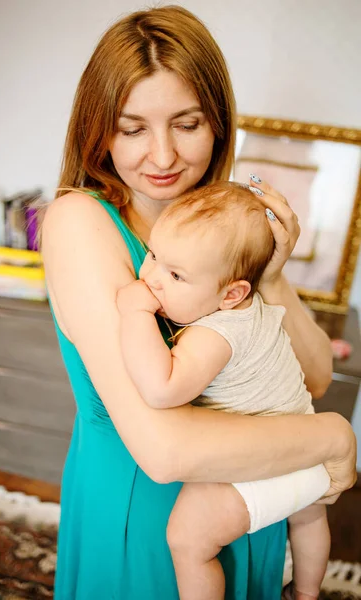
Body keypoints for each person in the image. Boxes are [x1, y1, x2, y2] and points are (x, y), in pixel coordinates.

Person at [41, 6, 357, 600]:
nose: (162, 157)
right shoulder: (81, 222)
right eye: (133, 129)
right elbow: (163, 452)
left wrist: (265, 277)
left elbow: (311, 377)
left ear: (217, 123)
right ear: (98, 129)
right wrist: (334, 439)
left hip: (243, 500)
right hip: (149, 515)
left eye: (186, 124)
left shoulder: (225, 224)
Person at [117, 181, 332, 600]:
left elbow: (162, 389)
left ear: (231, 294)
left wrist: (135, 312)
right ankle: (306, 593)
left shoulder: (214, 334)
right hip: (308, 452)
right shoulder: (256, 310)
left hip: (268, 461)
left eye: (176, 275)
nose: (153, 278)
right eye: (155, 256)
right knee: (308, 519)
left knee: (187, 539)